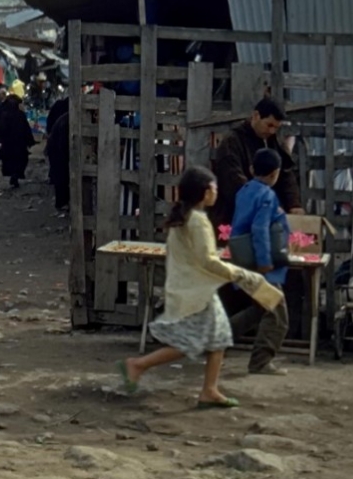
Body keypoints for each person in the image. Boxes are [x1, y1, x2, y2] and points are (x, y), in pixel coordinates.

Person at [116, 166, 277, 408]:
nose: (216, 192)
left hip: (193, 287)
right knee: (192, 342)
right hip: (198, 291)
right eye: (213, 188)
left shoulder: (183, 218)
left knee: (218, 338)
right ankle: (138, 365)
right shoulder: (198, 221)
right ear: (204, 192)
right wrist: (241, 274)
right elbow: (207, 260)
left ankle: (209, 389)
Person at [228, 148, 291, 375]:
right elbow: (259, 228)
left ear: (252, 169)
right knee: (277, 313)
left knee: (259, 309)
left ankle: (217, 339)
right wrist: (265, 262)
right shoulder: (267, 195)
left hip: (243, 258)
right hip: (259, 262)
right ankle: (261, 361)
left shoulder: (244, 191)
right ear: (275, 174)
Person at [210, 96, 304, 230]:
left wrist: (294, 204)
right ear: (256, 116)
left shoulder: (272, 141)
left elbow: (284, 173)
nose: (272, 131)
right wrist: (265, 203)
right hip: (235, 219)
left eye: (276, 127)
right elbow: (234, 181)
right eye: (269, 125)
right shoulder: (232, 142)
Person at [0, 94, 35, 189]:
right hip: (19, 144)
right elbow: (26, 129)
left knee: (10, 161)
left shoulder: (4, 115)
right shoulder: (20, 115)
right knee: (20, 160)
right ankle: (15, 175)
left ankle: (13, 176)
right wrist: (30, 141)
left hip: (7, 144)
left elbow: (1, 129)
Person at [45, 99, 70, 216]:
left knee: (60, 175)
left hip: (56, 147)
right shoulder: (67, 121)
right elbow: (62, 144)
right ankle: (62, 203)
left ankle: (63, 202)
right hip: (58, 149)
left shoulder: (65, 117)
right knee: (61, 176)